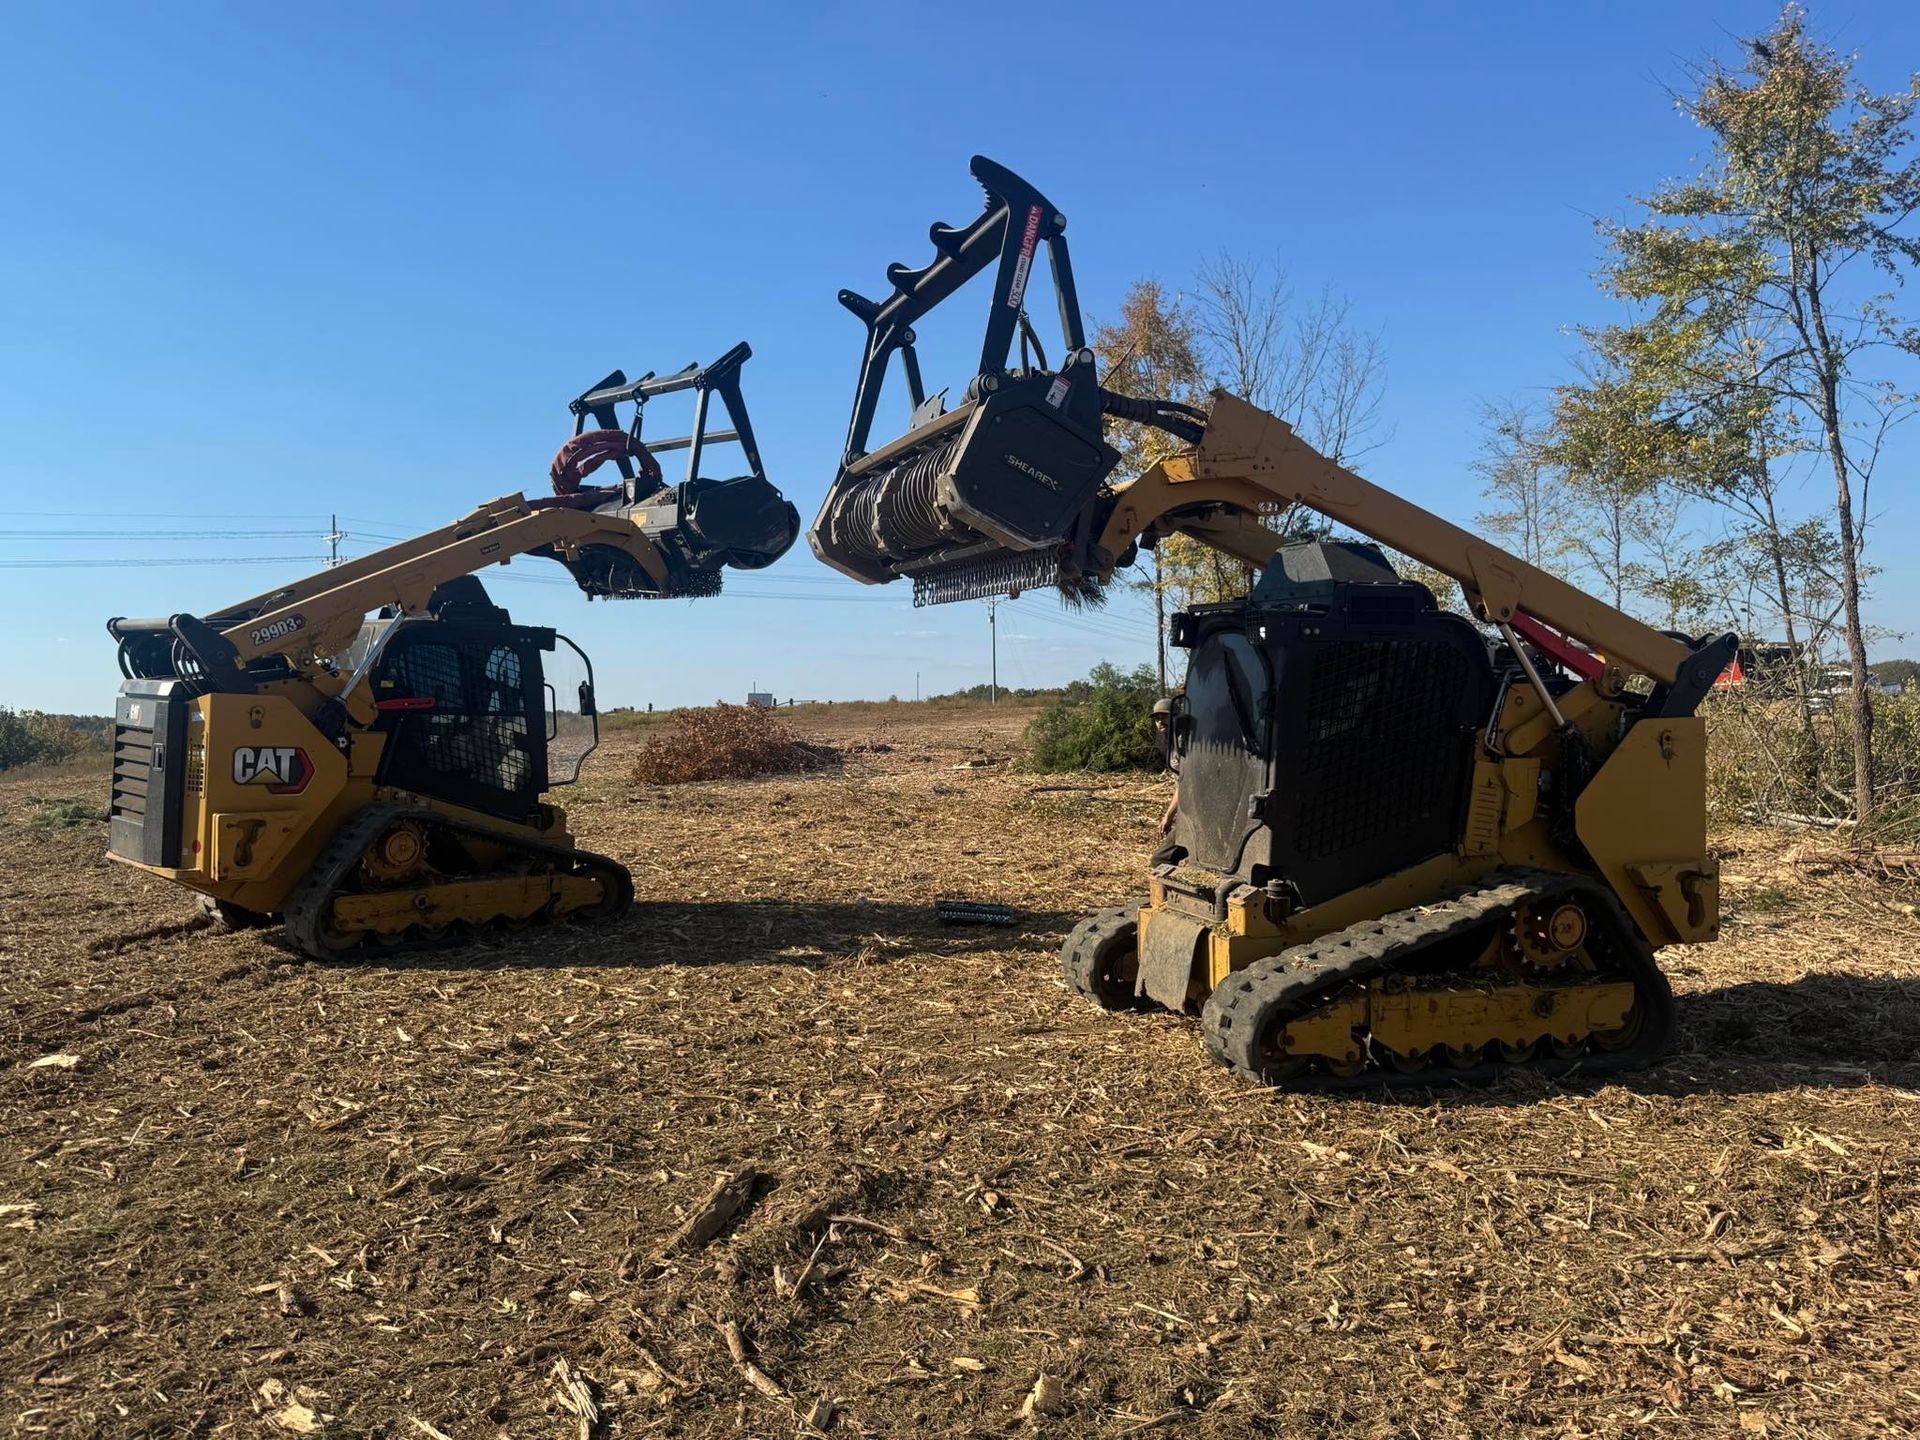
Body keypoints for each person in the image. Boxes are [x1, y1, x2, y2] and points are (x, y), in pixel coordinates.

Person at [1150, 696, 1185, 867]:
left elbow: (1185, 785)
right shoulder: (1171, 744)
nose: (1159, 722)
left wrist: (1168, 816)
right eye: (1157, 719)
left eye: (1164, 717)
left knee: (1160, 860)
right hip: (1187, 811)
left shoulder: (1184, 742)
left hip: (1196, 814)